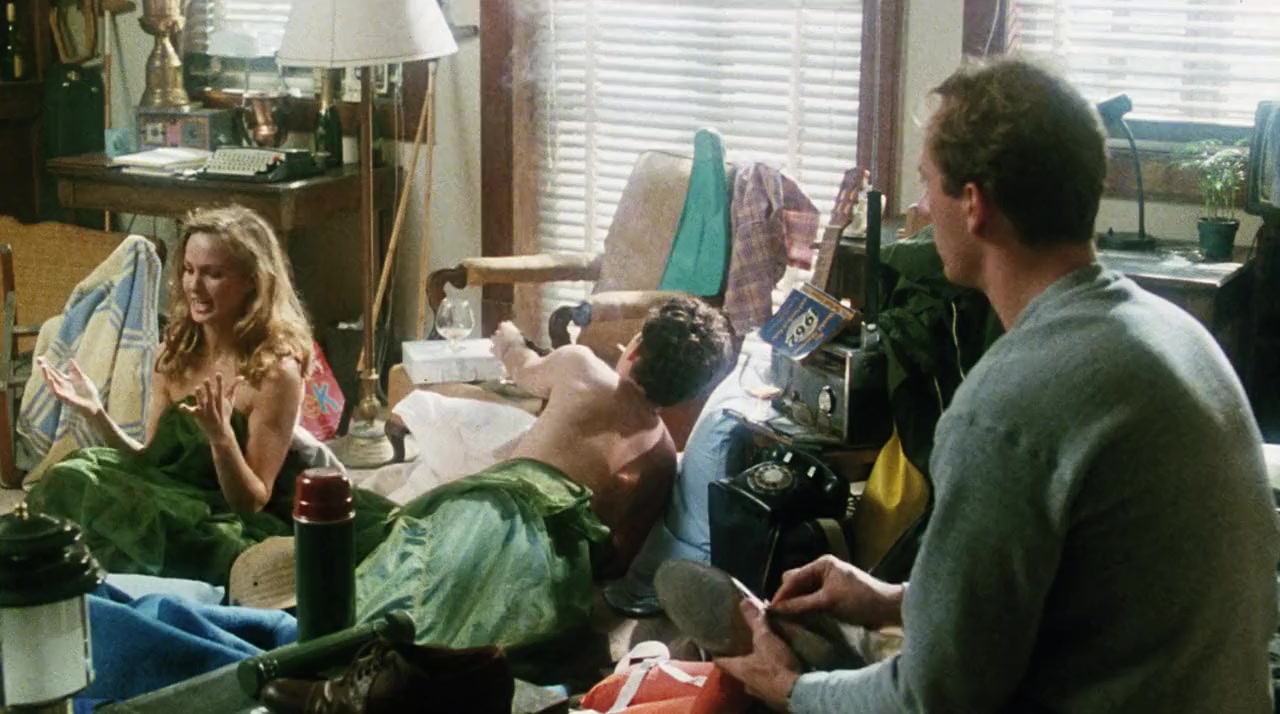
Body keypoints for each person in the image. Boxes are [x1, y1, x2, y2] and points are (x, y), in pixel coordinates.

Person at [715, 57, 1279, 712]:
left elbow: (931, 700)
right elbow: (1096, 596)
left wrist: (788, 689)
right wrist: (896, 599)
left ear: (974, 205)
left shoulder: (1004, 406)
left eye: (927, 184)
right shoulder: (1180, 337)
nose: (921, 209)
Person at [27, 205, 394, 586]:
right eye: (189, 270)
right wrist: (97, 414)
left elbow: (253, 500)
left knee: (192, 545)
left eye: (213, 274)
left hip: (230, 514)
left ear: (253, 281)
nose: (194, 287)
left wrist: (221, 437)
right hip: (172, 494)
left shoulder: (274, 373)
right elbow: (149, 461)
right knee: (72, 474)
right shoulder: (174, 353)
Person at [355, 296, 733, 649]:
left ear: (634, 350)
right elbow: (621, 555)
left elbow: (524, 369)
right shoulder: (662, 455)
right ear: (691, 394)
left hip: (497, 510)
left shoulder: (582, 367)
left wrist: (510, 343)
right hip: (556, 568)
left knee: (397, 564)